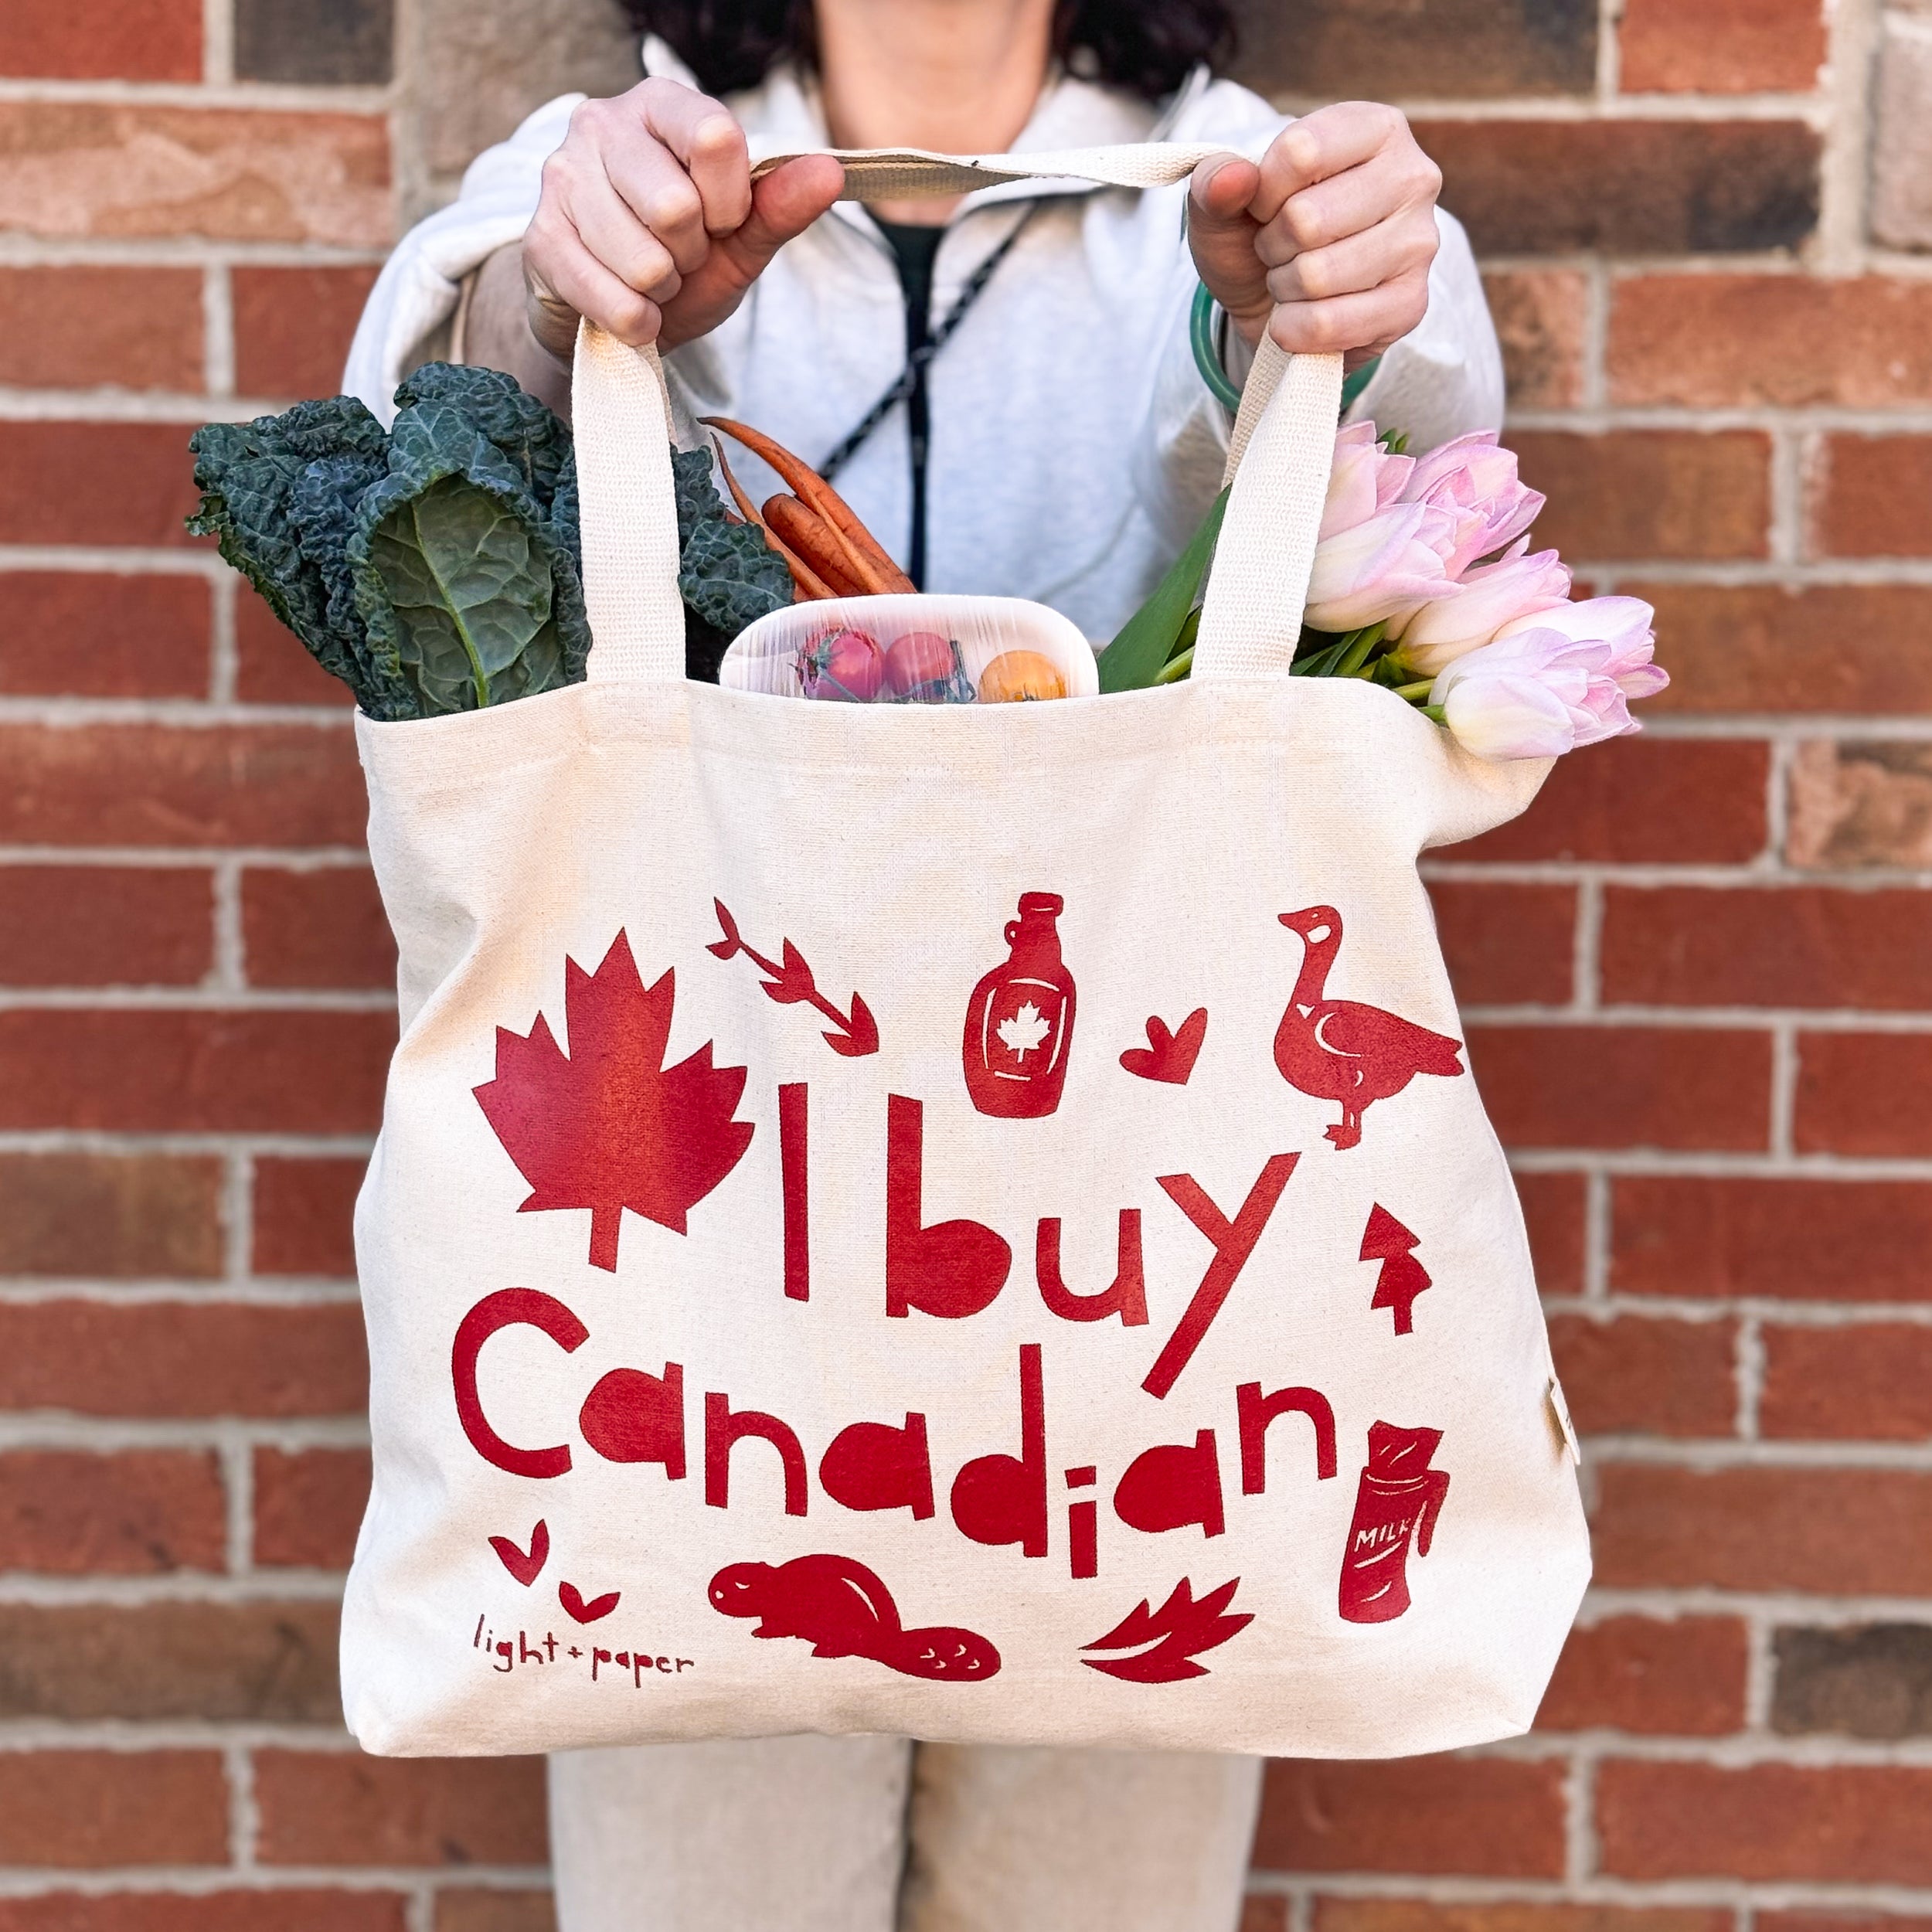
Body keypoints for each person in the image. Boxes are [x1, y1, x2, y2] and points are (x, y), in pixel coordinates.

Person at [345, 2, 1505, 1927]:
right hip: (713, 1274)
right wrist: (559, 305)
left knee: (1099, 1885)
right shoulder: (632, 149)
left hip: (1145, 1303)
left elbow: (1420, 480)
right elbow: (426, 438)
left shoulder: (1239, 172)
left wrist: (1289, 316)